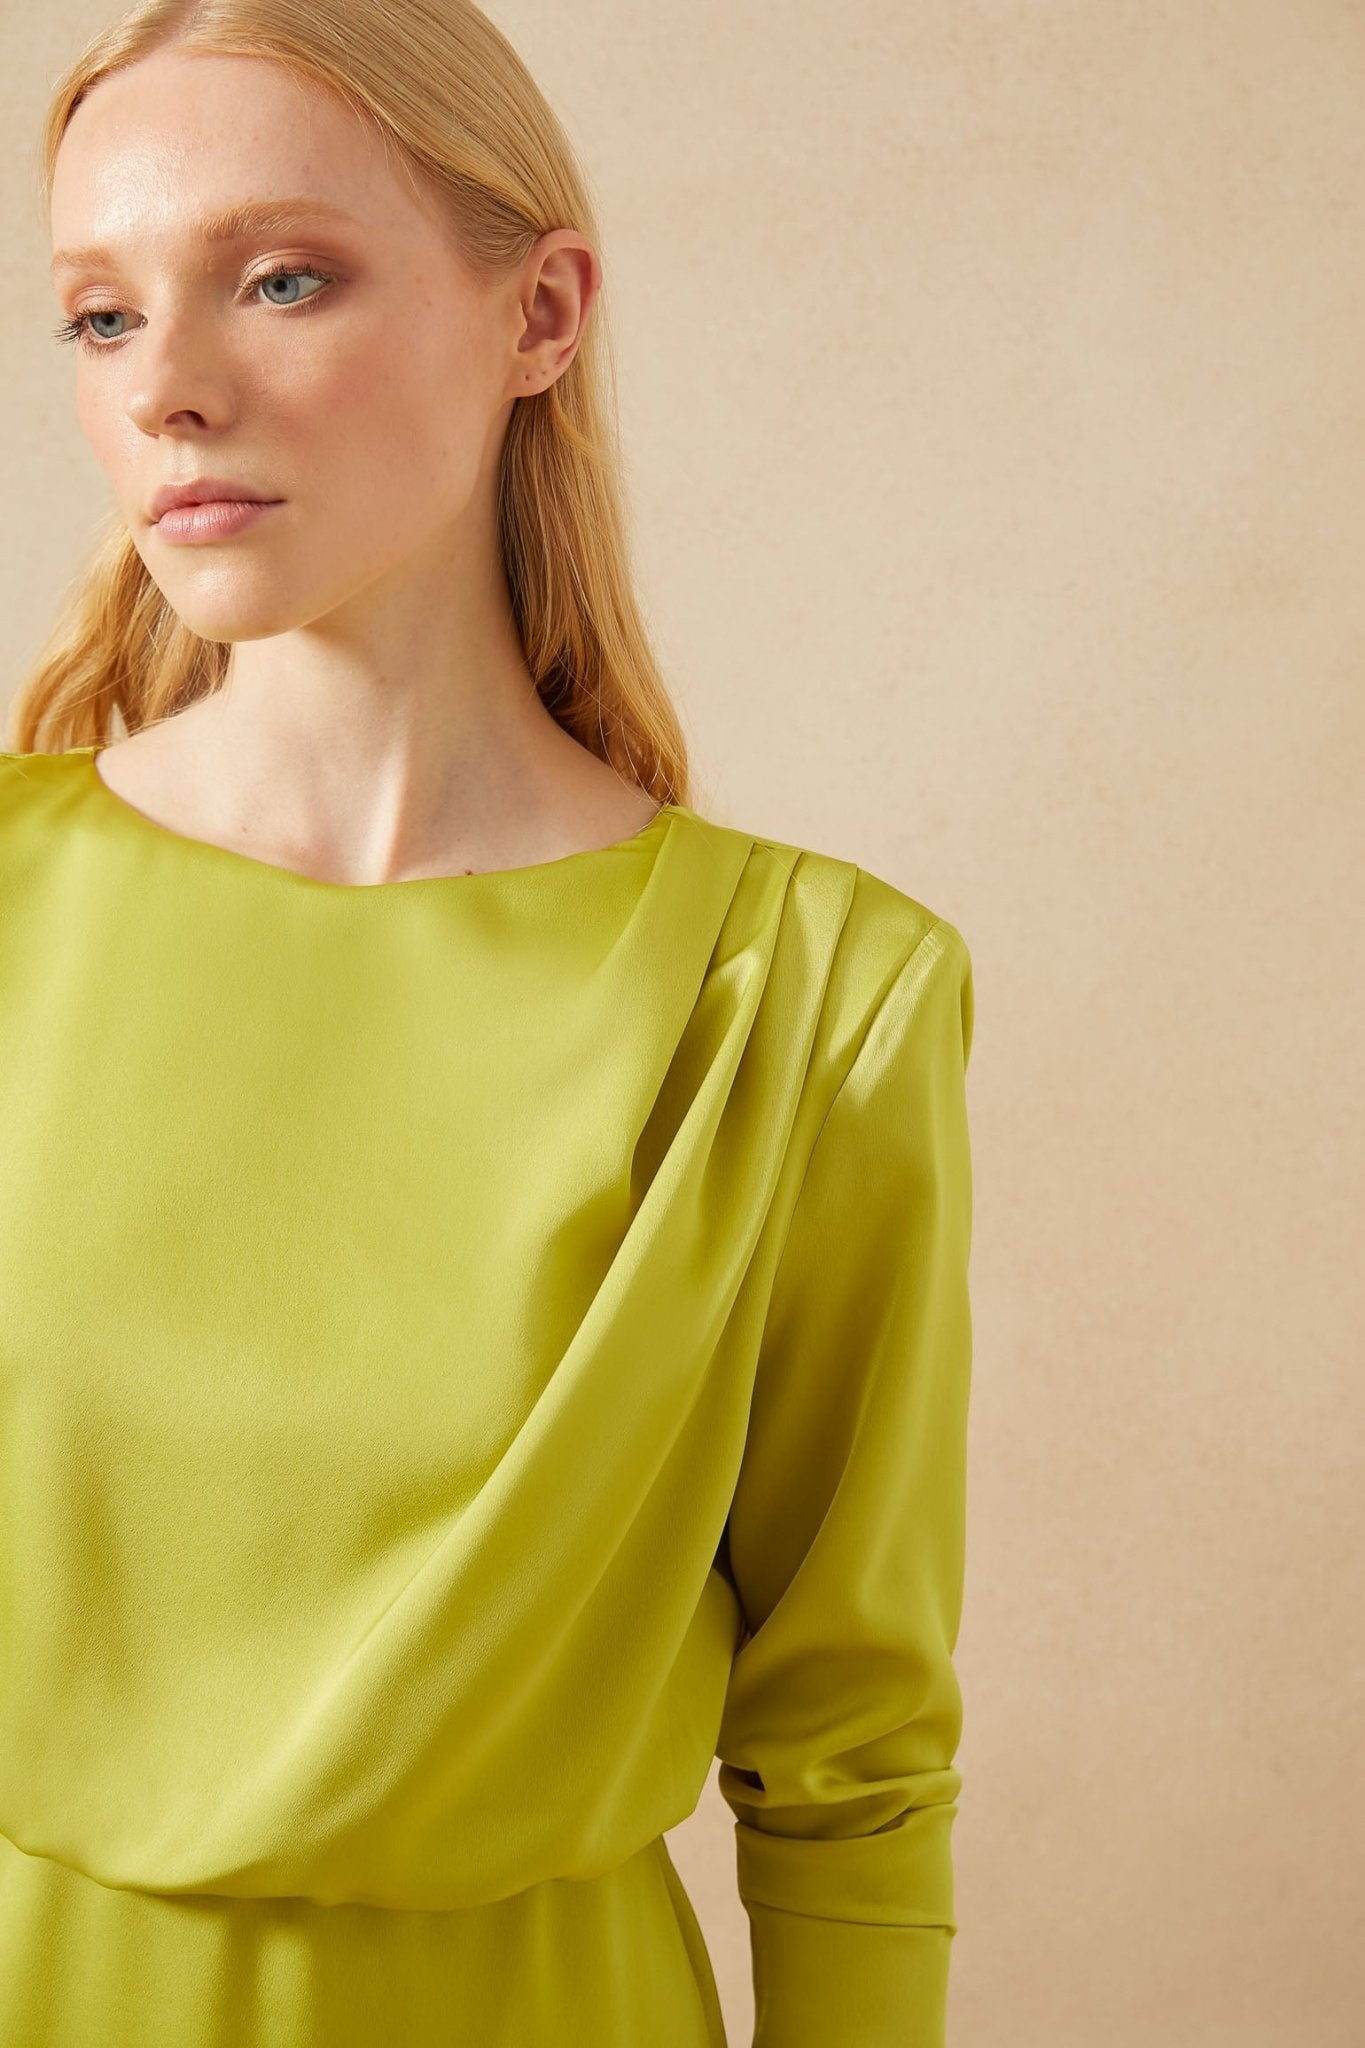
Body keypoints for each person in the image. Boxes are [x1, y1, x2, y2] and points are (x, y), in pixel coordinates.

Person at [0, 4, 976, 2045]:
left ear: (539, 312)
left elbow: (851, 1749)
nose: (167, 389)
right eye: (101, 316)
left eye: (282, 279)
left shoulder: (807, 1000)